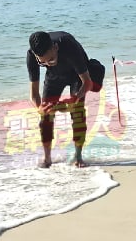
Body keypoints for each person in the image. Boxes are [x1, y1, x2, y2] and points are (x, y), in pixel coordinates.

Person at [27, 30, 105, 168]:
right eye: (43, 62)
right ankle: (47, 158)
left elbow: (88, 83)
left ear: (55, 48)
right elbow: (34, 94)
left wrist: (74, 99)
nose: (49, 63)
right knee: (45, 118)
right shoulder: (32, 56)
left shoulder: (69, 47)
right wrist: (40, 109)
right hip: (54, 77)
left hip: (77, 75)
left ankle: (78, 157)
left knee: (77, 113)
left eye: (51, 59)